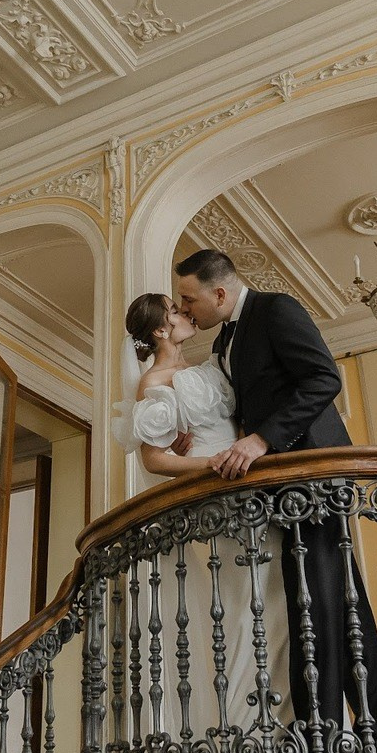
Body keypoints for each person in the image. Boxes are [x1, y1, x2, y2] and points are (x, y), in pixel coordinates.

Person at [172, 248, 377, 744]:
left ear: (219, 292)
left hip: (311, 473)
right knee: (340, 601)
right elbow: (246, 402)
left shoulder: (276, 309)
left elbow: (324, 378)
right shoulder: (226, 339)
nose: (186, 308)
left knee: (316, 600)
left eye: (189, 298)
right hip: (280, 484)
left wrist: (262, 440)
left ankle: (318, 734)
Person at [116, 291, 290, 726]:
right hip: (221, 495)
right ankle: (242, 726)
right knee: (242, 601)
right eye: (175, 311)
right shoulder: (153, 383)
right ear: (160, 330)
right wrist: (215, 463)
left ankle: (284, 720)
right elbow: (155, 460)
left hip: (255, 485)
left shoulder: (206, 365)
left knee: (277, 599)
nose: (184, 312)